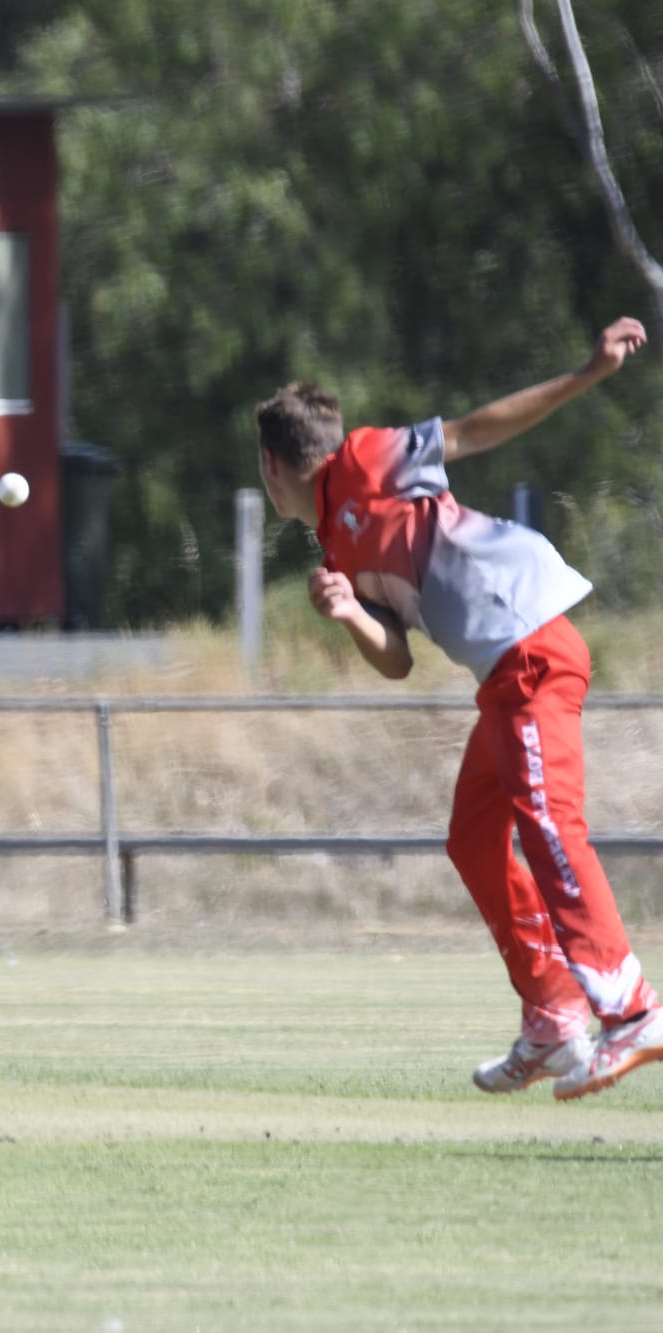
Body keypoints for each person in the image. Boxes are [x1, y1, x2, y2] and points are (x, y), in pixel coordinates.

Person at [255, 316, 657, 1101]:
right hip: (502, 674)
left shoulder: (367, 455)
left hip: (533, 644)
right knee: (474, 837)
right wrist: (349, 614)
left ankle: (633, 1008)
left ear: (273, 465)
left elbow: (474, 431)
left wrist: (589, 372)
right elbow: (397, 660)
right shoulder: (336, 549)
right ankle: (552, 1012)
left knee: (548, 822)